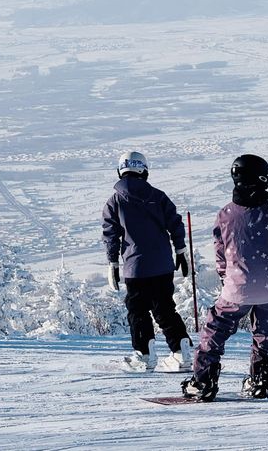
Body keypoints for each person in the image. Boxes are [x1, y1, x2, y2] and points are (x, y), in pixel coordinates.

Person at [181, 154, 268, 402]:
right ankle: (260, 382)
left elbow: (220, 253)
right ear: (260, 178)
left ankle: (203, 382)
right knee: (266, 335)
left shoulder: (226, 214)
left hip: (237, 288)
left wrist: (228, 276)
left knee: (215, 329)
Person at [102, 150, 192, 371]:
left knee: (138, 310)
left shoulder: (115, 201)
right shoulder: (159, 196)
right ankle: (183, 354)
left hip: (136, 267)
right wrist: (180, 249)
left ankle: (144, 356)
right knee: (165, 308)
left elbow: (110, 234)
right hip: (162, 265)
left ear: (120, 171)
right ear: (144, 170)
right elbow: (175, 222)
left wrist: (113, 262)